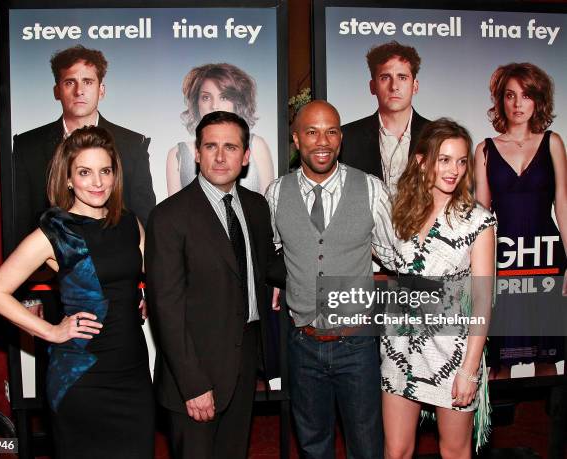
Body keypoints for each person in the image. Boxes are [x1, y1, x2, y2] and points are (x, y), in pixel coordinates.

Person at [0, 127, 154, 458]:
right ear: (68, 179)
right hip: (82, 380)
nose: (98, 182)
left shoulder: (130, 223)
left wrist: (139, 296)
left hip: (132, 373)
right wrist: (50, 330)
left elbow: (146, 273)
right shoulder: (54, 233)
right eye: (85, 172)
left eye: (105, 171)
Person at [146, 111, 285, 459]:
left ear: (246, 156)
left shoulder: (255, 206)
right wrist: (192, 385)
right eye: (211, 146)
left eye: (230, 147)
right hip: (194, 374)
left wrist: (326, 256)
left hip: (244, 363)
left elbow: (269, 266)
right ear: (197, 153)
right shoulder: (168, 217)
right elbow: (167, 310)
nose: (220, 157)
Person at [265, 100, 394, 458]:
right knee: (312, 445)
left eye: (331, 131)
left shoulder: (370, 189)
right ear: (296, 139)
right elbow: (277, 253)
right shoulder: (276, 194)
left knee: (367, 445)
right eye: (312, 131)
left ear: (341, 138)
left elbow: (394, 253)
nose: (323, 141)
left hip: (357, 345)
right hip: (303, 343)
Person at [381, 118, 496, 459]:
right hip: (399, 348)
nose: (454, 170)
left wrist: (469, 370)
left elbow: (482, 300)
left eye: (461, 161)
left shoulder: (478, 220)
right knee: (396, 450)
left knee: (454, 452)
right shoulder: (402, 211)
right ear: (422, 161)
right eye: (444, 159)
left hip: (452, 353)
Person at [474, 63, 567, 375]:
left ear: (537, 100)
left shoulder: (553, 142)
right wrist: (479, 273)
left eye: (525, 96)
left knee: (547, 356)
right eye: (510, 95)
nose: (517, 104)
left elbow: (563, 205)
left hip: (547, 256)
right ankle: (493, 426)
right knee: (499, 360)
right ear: (500, 100)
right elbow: (481, 216)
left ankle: (550, 427)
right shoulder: (484, 149)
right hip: (505, 261)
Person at [13, 44, 155, 245]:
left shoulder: (133, 145)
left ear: (101, 90)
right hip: (48, 269)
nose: (79, 91)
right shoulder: (27, 146)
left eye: (88, 81)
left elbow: (144, 217)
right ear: (57, 91)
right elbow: (19, 223)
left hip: (119, 263)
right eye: (70, 82)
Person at [166, 63, 274, 195]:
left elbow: (267, 208)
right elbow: (173, 212)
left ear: (237, 101)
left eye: (224, 97)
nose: (214, 105)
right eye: (206, 97)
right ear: (196, 103)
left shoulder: (257, 145)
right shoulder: (178, 154)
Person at [340, 41, 430, 196]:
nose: (394, 86)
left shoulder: (438, 136)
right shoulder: (347, 137)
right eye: (385, 77)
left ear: (415, 86)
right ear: (372, 86)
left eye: (402, 77)